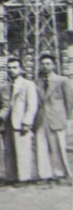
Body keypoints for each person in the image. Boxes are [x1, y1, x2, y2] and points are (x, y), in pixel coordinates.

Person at [35, 54, 73, 184]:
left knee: (59, 147)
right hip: (41, 118)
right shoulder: (38, 82)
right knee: (41, 147)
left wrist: (67, 118)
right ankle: (45, 175)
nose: (45, 66)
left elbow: (69, 101)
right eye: (43, 64)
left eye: (48, 64)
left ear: (54, 65)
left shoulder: (62, 80)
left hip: (57, 118)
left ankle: (61, 174)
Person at [4, 58, 38, 185]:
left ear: (21, 69)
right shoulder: (6, 85)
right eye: (9, 68)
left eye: (15, 67)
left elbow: (32, 105)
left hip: (21, 122)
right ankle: (11, 177)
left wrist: (27, 122)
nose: (11, 70)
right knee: (9, 151)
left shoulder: (28, 84)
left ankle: (24, 177)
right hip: (7, 123)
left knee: (23, 151)